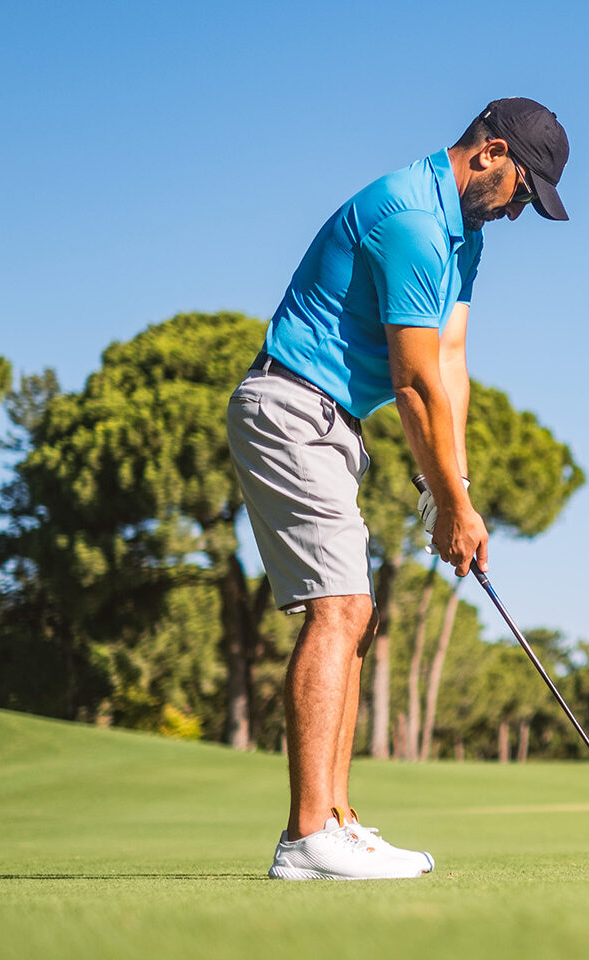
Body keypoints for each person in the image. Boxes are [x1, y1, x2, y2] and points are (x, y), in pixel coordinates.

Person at [225, 97, 570, 880]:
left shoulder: (462, 236)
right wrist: (450, 507)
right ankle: (307, 836)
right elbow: (413, 387)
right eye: (523, 189)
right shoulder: (411, 219)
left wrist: (452, 484)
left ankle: (337, 822)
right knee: (339, 609)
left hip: (332, 421)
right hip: (291, 406)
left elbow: (450, 360)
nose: (519, 210)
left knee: (357, 616)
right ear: (489, 152)